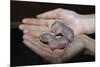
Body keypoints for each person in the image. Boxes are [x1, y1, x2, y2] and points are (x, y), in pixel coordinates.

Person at [19, 8, 95, 63]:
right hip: (67, 38)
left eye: (54, 28)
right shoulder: (57, 33)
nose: (52, 30)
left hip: (68, 37)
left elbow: (53, 41)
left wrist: (54, 35)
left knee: (56, 43)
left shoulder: (56, 35)